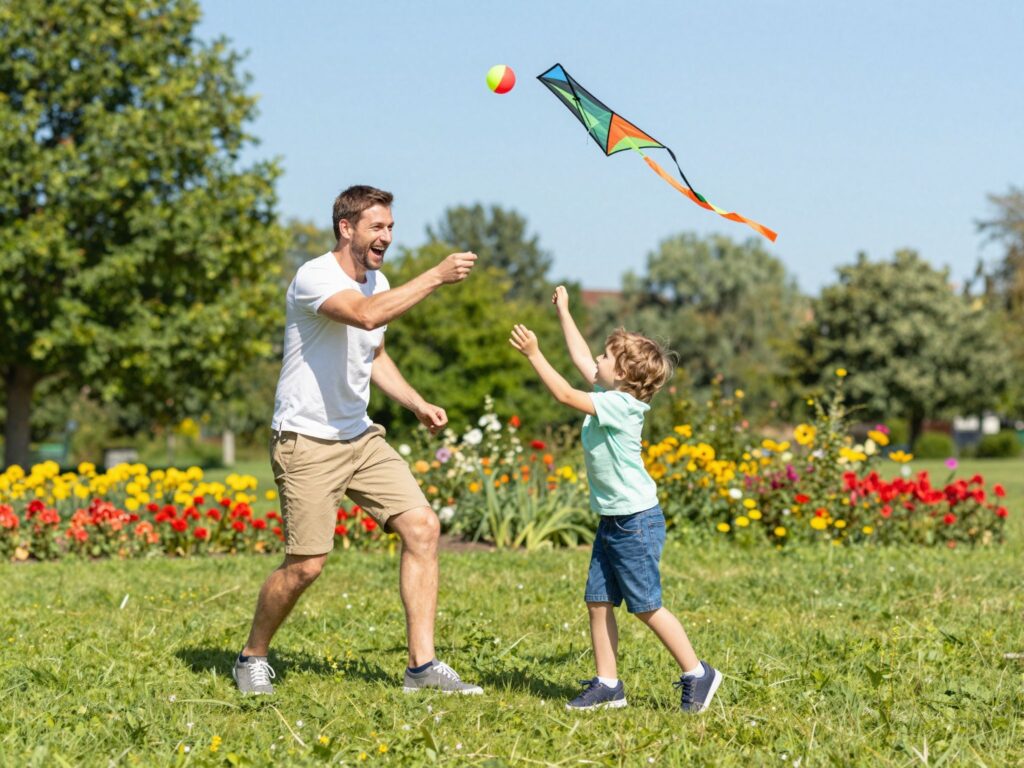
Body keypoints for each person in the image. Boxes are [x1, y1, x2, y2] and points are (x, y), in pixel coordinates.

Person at [233, 185, 482, 696]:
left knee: (422, 527)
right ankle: (251, 656)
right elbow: (366, 316)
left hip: (359, 436)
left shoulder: (378, 281)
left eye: (390, 227)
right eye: (377, 227)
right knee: (306, 566)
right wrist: (436, 276)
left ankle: (421, 667)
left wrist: (416, 403)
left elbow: (374, 353)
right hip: (307, 439)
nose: (386, 236)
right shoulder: (315, 277)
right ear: (346, 228)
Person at [508, 286, 722, 713]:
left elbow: (564, 394)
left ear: (623, 375)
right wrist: (565, 312)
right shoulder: (610, 395)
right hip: (613, 520)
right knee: (598, 600)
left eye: (605, 357)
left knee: (646, 606)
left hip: (635, 522)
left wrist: (534, 354)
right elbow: (580, 359)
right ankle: (608, 685)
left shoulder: (622, 407)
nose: (597, 360)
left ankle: (698, 673)